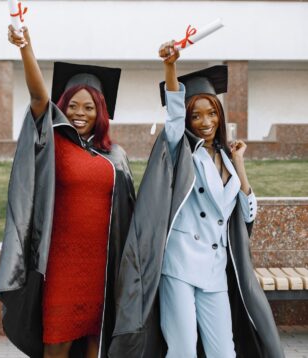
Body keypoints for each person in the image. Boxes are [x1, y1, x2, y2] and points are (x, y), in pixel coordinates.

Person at [108, 41, 284, 357]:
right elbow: (173, 116)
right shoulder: (183, 153)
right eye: (196, 116)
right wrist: (171, 66)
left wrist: (240, 164)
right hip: (180, 265)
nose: (205, 122)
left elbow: (246, 214)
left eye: (211, 113)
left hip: (215, 269)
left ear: (220, 115)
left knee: (223, 352)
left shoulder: (228, 159)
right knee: (183, 349)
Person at [0, 26, 135, 358]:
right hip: (61, 263)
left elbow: (128, 212)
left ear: (101, 112)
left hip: (102, 265)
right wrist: (26, 48)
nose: (80, 114)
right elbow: (38, 97)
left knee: (94, 345)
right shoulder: (55, 142)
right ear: (63, 107)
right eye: (73, 106)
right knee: (56, 343)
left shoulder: (116, 156)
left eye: (89, 108)